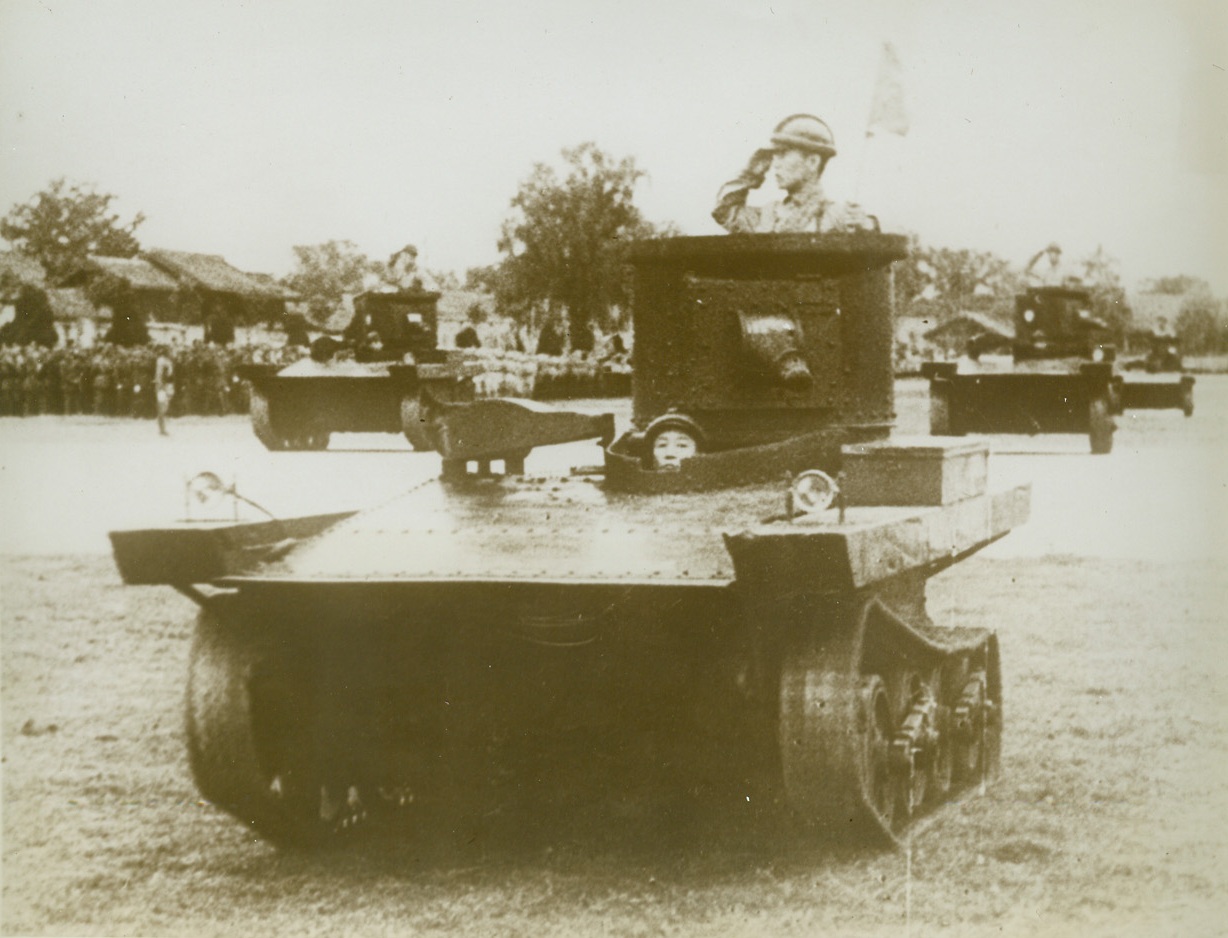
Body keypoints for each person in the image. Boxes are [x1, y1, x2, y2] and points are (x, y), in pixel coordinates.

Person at [712, 114, 876, 235]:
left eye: (782, 154)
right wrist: (750, 173)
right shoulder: (768, 215)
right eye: (774, 156)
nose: (775, 164)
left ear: (812, 162)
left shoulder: (838, 217)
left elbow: (890, 238)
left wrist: (870, 225)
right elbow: (724, 211)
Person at [154, 347, 174, 435]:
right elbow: (159, 374)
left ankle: (161, 425)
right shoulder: (161, 361)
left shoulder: (168, 361)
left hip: (168, 385)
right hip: (162, 385)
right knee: (162, 407)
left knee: (165, 406)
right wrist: (160, 385)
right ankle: (162, 428)